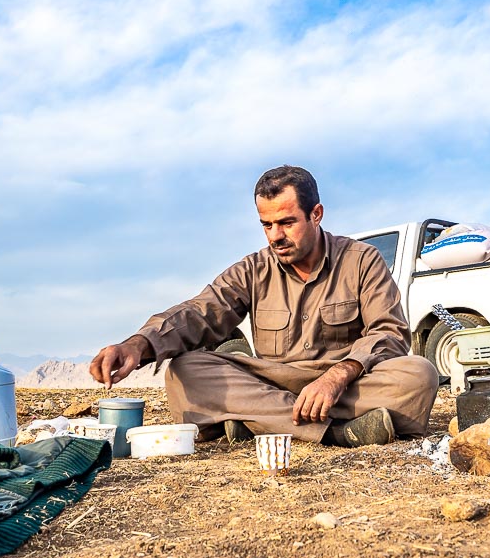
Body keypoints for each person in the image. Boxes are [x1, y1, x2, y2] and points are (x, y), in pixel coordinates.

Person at [90, 165, 439, 446]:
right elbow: (200, 312)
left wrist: (337, 376)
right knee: (186, 370)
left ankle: (257, 422)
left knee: (418, 375)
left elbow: (389, 333)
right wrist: (139, 344)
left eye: (286, 222)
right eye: (266, 224)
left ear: (316, 214)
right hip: (272, 383)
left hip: (342, 385)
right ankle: (333, 432)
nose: (275, 236)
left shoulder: (362, 260)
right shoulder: (253, 269)